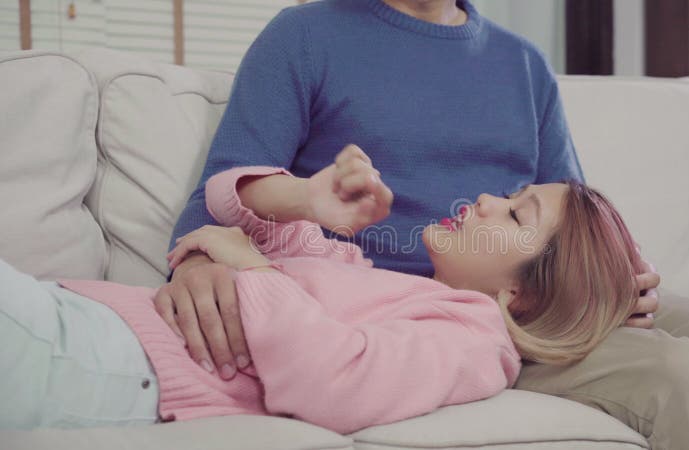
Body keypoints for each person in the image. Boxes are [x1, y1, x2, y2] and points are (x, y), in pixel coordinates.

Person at [159, 1, 689, 448]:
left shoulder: (522, 64)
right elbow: (222, 196)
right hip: (446, 316)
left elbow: (574, 215)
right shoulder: (303, 36)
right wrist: (201, 261)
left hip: (548, 296)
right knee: (673, 375)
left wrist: (630, 276)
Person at [1, 147, 649, 432]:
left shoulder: (474, 343)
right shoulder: (371, 276)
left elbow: (338, 378)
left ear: (528, 296)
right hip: (78, 320)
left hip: (107, 359)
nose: (484, 199)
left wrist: (248, 268)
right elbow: (233, 210)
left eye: (514, 214)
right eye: (507, 196)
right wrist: (306, 200)